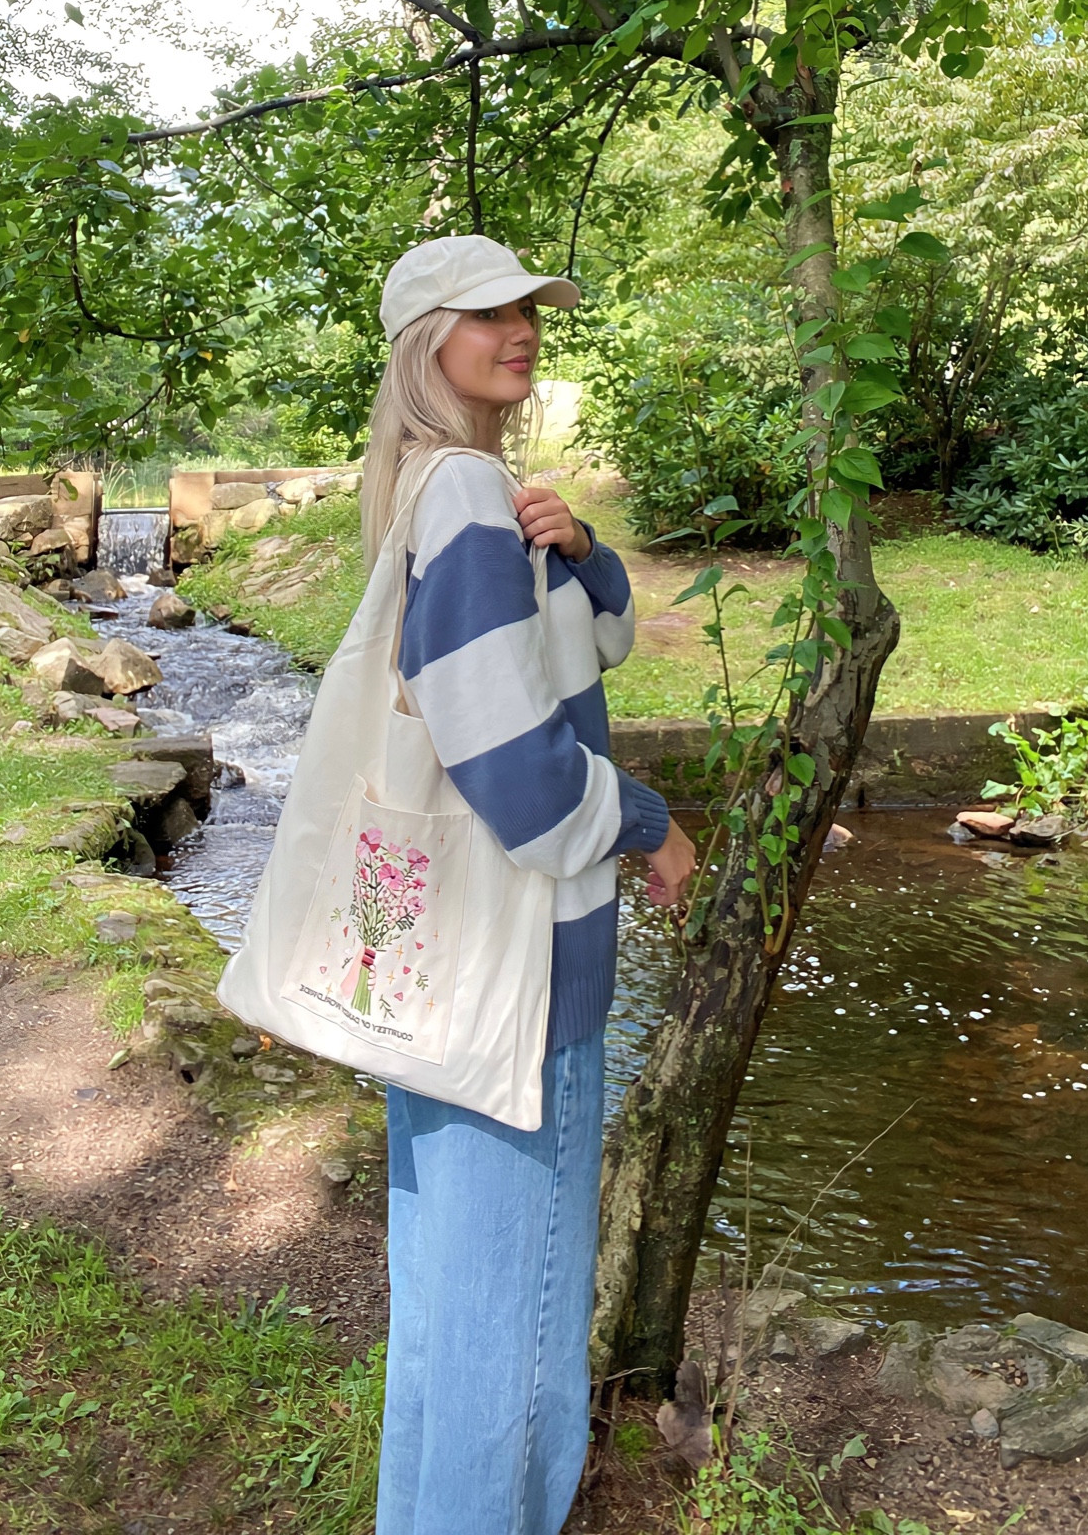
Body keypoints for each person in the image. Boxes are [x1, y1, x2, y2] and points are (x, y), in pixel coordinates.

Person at [364, 235, 697, 1535]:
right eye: (486, 311)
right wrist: (650, 824)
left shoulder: (453, 491)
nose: (521, 327)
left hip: (442, 969)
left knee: (452, 1314)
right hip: (516, 982)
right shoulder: (459, 495)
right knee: (514, 1325)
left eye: (528, 308)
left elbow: (586, 651)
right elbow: (513, 765)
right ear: (424, 340)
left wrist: (584, 550)